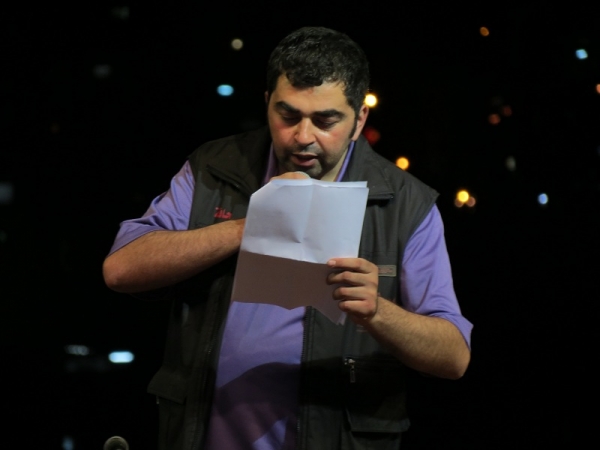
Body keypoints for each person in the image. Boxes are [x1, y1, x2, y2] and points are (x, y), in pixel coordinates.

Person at [103, 26, 473, 450]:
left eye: (326, 121)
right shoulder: (214, 167)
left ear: (359, 120)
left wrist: (377, 312)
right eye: (288, 115)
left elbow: (454, 356)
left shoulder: (407, 204)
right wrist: (247, 227)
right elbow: (121, 269)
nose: (303, 136)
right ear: (267, 104)